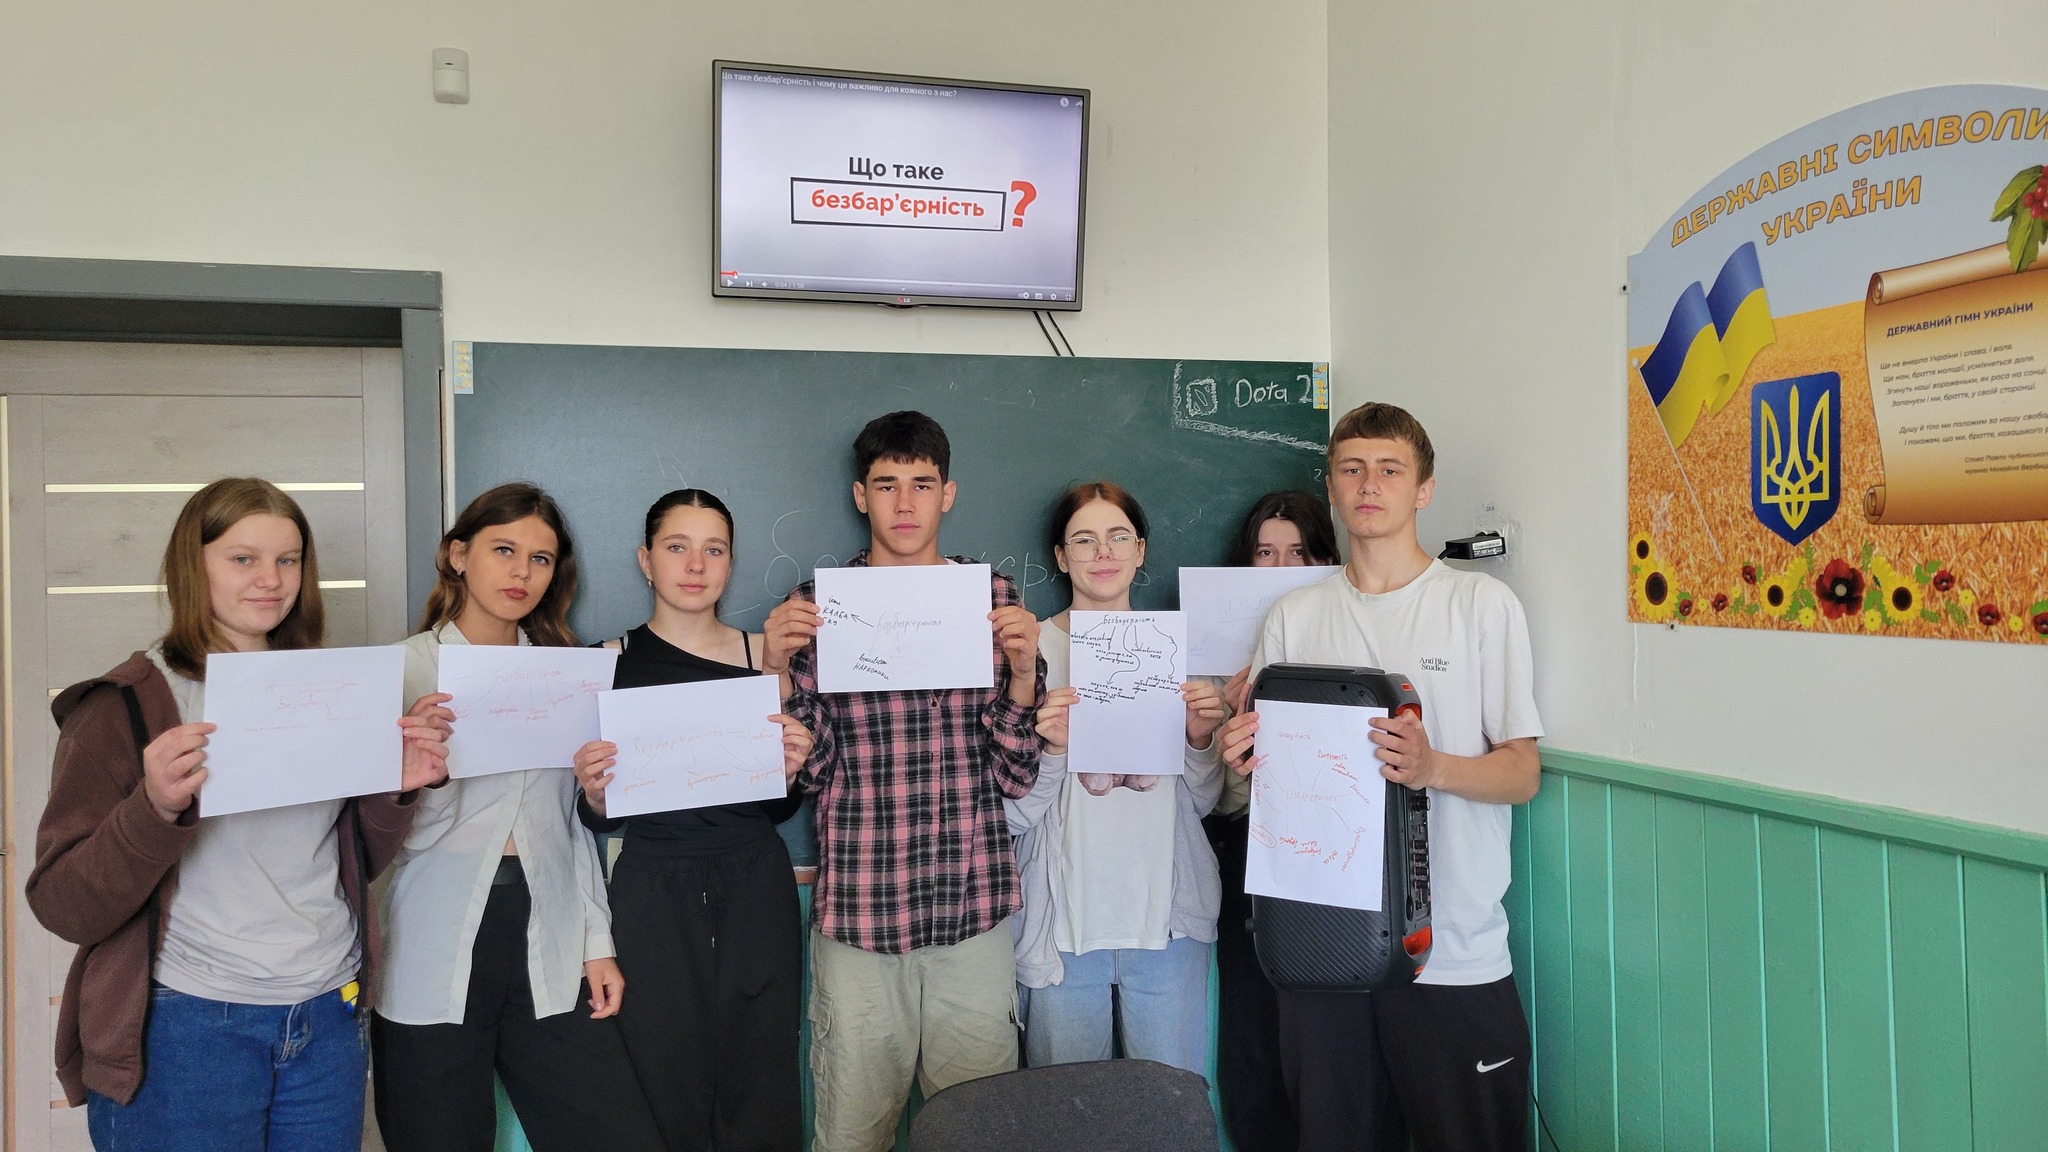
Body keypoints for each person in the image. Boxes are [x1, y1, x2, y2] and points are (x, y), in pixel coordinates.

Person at [26, 477, 451, 1152]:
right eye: (243, 558)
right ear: (191, 567)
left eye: (288, 559)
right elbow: (63, 904)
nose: (271, 580)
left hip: (327, 1015)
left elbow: (348, 863)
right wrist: (152, 809)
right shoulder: (123, 705)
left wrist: (393, 790)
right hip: (186, 1025)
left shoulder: (331, 692)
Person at [1216, 403, 1543, 1152]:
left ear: (1423, 489)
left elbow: (1523, 771)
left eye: (1390, 470)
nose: (1370, 484)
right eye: (1352, 468)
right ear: (1331, 485)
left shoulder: (1479, 605)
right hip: (1322, 946)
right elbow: (1267, 784)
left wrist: (1432, 767)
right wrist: (1241, 755)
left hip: (1452, 949)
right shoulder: (1294, 616)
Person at [765, 411, 1046, 1152]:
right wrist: (775, 670)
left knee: (978, 1135)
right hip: (862, 915)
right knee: (853, 1135)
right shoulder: (817, 608)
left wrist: (1023, 675)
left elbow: (1016, 775)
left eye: (922, 484)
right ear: (861, 495)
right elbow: (811, 771)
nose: (904, 503)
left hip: (973, 910)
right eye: (886, 484)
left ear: (947, 494)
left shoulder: (994, 600)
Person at [371, 482, 664, 1152]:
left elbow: (569, 825)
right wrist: (421, 772)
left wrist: (597, 943)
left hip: (548, 933)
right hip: (435, 938)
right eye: (504, 550)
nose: (521, 572)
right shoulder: (402, 672)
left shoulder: (568, 674)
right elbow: (378, 845)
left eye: (540, 558)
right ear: (458, 556)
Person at [570, 488, 815, 1152]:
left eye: (715, 550)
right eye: (677, 547)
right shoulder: (606, 662)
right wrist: (595, 794)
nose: (696, 565)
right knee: (661, 1071)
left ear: (731, 562)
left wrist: (789, 769)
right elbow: (598, 818)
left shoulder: (765, 656)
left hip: (755, 881)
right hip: (653, 884)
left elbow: (776, 808)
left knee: (761, 1076)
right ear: (645, 560)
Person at [1011, 482, 1226, 1073]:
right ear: (1061, 557)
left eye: (1118, 537)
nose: (1103, 552)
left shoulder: (1181, 651)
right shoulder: (1029, 654)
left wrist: (1198, 740)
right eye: (1084, 540)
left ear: (1140, 550)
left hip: (1166, 920)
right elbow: (1012, 814)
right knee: (1067, 1109)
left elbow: (1204, 801)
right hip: (1063, 924)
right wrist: (1053, 750)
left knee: (1170, 1103)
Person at [1207, 489, 1341, 1152]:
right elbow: (1218, 801)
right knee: (1254, 1032)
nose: (1281, 567)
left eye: (1299, 552)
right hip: (1247, 862)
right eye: (1265, 553)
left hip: (1334, 861)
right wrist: (1233, 723)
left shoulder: (1344, 631)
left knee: (1329, 1037)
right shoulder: (1211, 650)